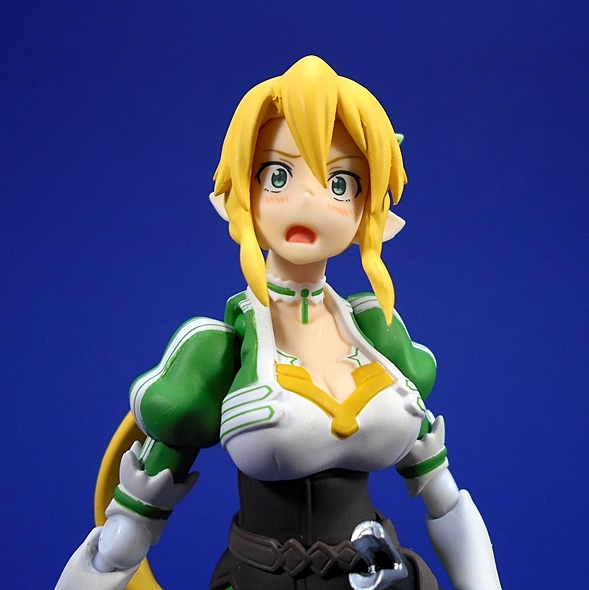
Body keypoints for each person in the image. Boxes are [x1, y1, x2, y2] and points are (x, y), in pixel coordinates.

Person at [56, 56, 502, 590]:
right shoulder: (216, 353)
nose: (309, 201)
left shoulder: (377, 332)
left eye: (340, 183)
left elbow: (445, 501)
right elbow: (125, 535)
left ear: (368, 206)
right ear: (240, 189)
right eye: (279, 175)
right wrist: (110, 556)